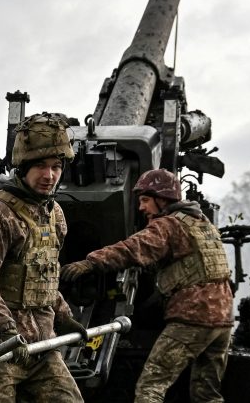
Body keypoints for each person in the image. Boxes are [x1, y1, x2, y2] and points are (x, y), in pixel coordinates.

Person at [61, 168, 234, 403]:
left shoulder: (168, 225)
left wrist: (90, 263)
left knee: (150, 387)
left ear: (162, 199)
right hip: (222, 319)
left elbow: (134, 248)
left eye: (145, 200)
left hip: (194, 316)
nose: (141, 208)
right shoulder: (202, 224)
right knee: (206, 394)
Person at [0, 112, 87, 403]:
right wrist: (6, 330)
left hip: (40, 343)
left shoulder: (55, 215)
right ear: (23, 166)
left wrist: (64, 317)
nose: (49, 175)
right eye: (40, 165)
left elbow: (45, 273)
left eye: (56, 166)